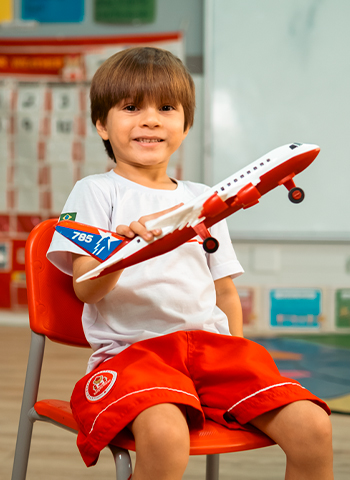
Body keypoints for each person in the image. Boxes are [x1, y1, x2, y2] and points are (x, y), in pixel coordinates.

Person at [47, 47, 333, 480]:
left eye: (166, 107)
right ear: (102, 124)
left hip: (213, 353)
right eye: (130, 108)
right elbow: (84, 288)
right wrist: (119, 251)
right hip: (131, 355)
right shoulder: (93, 191)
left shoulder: (204, 199)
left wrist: (238, 348)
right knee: (166, 434)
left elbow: (223, 292)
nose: (150, 119)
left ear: (186, 124)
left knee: (313, 425)